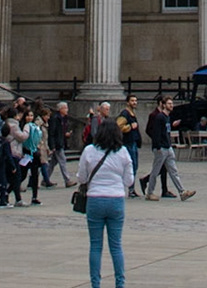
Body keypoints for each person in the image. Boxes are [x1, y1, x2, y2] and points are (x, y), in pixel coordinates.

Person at [78, 117, 130, 288]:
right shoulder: (122, 152)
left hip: (95, 199)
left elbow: (82, 177)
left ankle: (95, 284)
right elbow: (129, 180)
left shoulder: (89, 151)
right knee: (116, 245)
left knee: (95, 245)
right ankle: (120, 283)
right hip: (116, 199)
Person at [143, 95, 196, 201]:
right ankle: (150, 193)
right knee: (155, 171)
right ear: (163, 105)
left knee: (173, 170)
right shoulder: (160, 117)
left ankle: (182, 191)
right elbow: (156, 132)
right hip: (161, 148)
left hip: (168, 146)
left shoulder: (167, 117)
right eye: (169, 104)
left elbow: (166, 131)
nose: (171, 105)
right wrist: (157, 146)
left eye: (172, 103)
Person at [118, 95, 144, 197]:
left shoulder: (132, 114)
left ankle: (131, 188)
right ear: (127, 102)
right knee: (131, 166)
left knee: (135, 166)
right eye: (132, 101)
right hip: (128, 143)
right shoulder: (125, 114)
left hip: (133, 142)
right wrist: (130, 127)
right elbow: (119, 126)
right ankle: (130, 189)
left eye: (135, 101)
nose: (134, 102)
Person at [44, 102, 74, 187]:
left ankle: (45, 178)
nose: (67, 110)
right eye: (65, 108)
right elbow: (52, 133)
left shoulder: (63, 118)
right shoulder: (55, 119)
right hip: (57, 143)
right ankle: (67, 180)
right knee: (62, 161)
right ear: (60, 109)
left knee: (53, 163)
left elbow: (60, 131)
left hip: (60, 141)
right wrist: (52, 145)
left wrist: (65, 134)